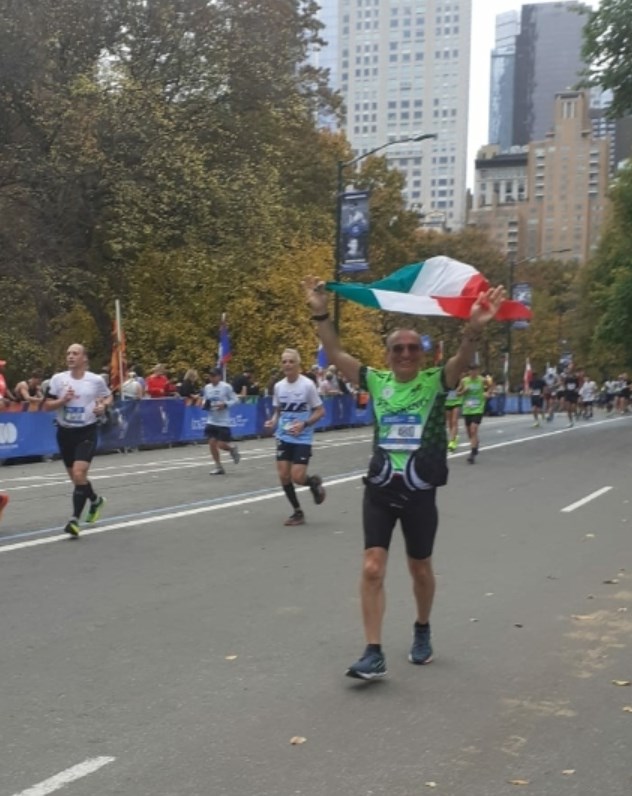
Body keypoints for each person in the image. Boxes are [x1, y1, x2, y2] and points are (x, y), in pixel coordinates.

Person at [302, 274, 505, 680]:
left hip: (419, 494)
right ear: (389, 354)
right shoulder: (376, 381)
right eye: (399, 348)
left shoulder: (436, 382)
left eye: (413, 348)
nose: (406, 354)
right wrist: (321, 313)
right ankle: (372, 652)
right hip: (380, 490)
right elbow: (335, 352)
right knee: (372, 567)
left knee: (420, 569)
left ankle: (422, 628)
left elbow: (461, 359)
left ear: (422, 355)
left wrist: (474, 328)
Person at [43, 343, 112, 537]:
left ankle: (74, 520)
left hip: (86, 432)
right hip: (65, 433)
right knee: (77, 479)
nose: (70, 356)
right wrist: (62, 401)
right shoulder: (58, 380)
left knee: (79, 473)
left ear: (84, 358)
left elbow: (108, 397)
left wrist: (103, 406)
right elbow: (47, 406)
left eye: (75, 353)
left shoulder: (95, 380)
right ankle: (96, 500)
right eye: (68, 353)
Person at [264, 348, 326, 526]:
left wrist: (304, 424)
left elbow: (320, 411)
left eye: (291, 361)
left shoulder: (307, 385)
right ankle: (297, 512)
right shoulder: (279, 386)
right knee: (284, 476)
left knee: (297, 477)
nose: (287, 365)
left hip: (302, 437)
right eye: (284, 361)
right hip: (284, 435)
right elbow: (278, 411)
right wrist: (273, 421)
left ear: (298, 364)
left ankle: (313, 483)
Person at [201, 368, 240, 475]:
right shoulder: (207, 387)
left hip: (223, 421)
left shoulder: (226, 387)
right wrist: (205, 404)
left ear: (219, 376)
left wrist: (225, 404)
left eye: (214, 376)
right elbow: (205, 399)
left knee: (221, 444)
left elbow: (236, 399)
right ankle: (218, 467)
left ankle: (232, 448)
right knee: (211, 443)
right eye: (210, 376)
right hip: (211, 420)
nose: (212, 378)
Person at [458, 363, 490, 464]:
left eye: (476, 371)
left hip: (478, 408)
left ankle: (472, 454)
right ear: (469, 372)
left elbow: (490, 386)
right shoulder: (464, 381)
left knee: (473, 429)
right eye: (472, 371)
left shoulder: (482, 380)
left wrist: (487, 393)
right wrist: (463, 391)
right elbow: (457, 393)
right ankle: (475, 444)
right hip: (467, 409)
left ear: (478, 371)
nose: (474, 373)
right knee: (470, 433)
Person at [444, 382, 463, 451]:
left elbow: (461, 391)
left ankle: (452, 441)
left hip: (457, 402)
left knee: (454, 421)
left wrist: (457, 392)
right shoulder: (445, 380)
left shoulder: (461, 380)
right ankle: (454, 438)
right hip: (447, 402)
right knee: (449, 423)